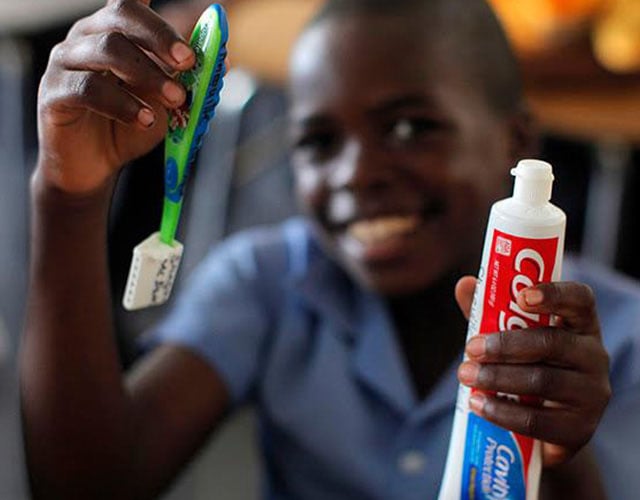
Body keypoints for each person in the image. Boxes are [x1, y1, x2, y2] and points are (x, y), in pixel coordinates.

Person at [21, 0, 640, 498]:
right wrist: (68, 195)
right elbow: (92, 480)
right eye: (319, 140)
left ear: (517, 140)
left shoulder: (622, 336)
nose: (356, 174)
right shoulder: (267, 280)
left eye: (408, 127)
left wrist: (557, 459)